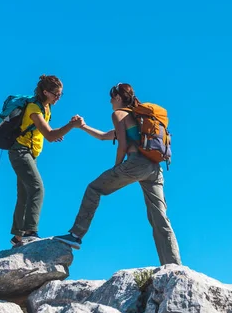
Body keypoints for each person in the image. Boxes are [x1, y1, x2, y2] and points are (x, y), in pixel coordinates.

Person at [55, 83, 182, 265]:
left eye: (111, 98)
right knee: (160, 218)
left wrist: (116, 169)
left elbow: (122, 145)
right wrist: (82, 127)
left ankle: (75, 235)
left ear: (118, 98)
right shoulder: (137, 118)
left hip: (136, 163)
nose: (110, 102)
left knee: (94, 188)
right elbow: (104, 136)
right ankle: (173, 265)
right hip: (154, 168)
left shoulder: (118, 114)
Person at [9, 74, 83, 247]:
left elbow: (46, 131)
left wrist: (59, 132)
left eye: (60, 94)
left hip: (29, 154)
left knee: (24, 194)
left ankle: (17, 237)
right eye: (56, 94)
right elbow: (49, 135)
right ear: (45, 92)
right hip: (20, 152)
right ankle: (30, 232)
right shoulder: (34, 107)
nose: (58, 98)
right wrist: (71, 126)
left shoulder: (46, 107)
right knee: (37, 188)